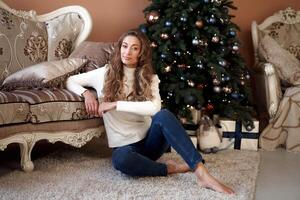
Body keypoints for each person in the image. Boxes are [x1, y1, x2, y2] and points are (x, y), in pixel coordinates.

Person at [66, 29, 234, 194]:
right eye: (124, 46)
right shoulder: (104, 74)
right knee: (120, 160)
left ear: (141, 52)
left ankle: (201, 173)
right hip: (125, 147)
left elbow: (154, 108)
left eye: (134, 48)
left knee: (164, 115)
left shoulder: (149, 78)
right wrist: (86, 94)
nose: (127, 52)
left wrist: (116, 104)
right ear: (119, 49)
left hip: (150, 142)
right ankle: (169, 168)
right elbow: (70, 80)